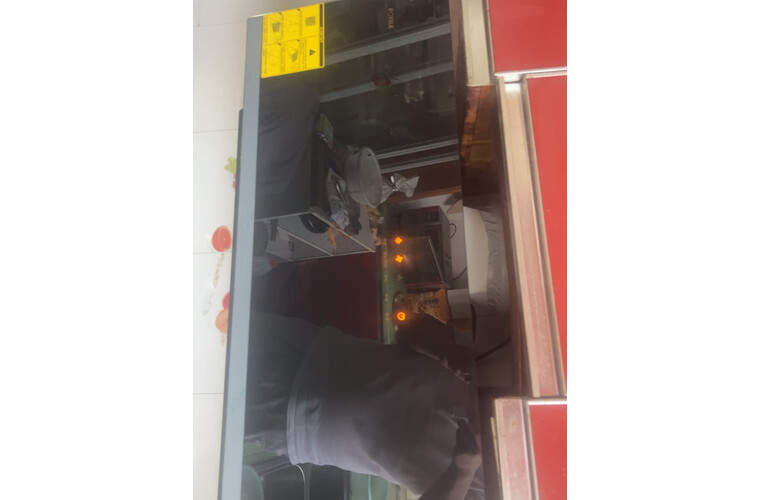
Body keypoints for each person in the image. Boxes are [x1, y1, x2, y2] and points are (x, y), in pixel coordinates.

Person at [244, 311, 483, 500]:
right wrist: (448, 349)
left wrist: (463, 470)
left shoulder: (494, 486)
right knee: (223, 317)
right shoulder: (494, 368)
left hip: (295, 422)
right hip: (310, 344)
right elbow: (408, 326)